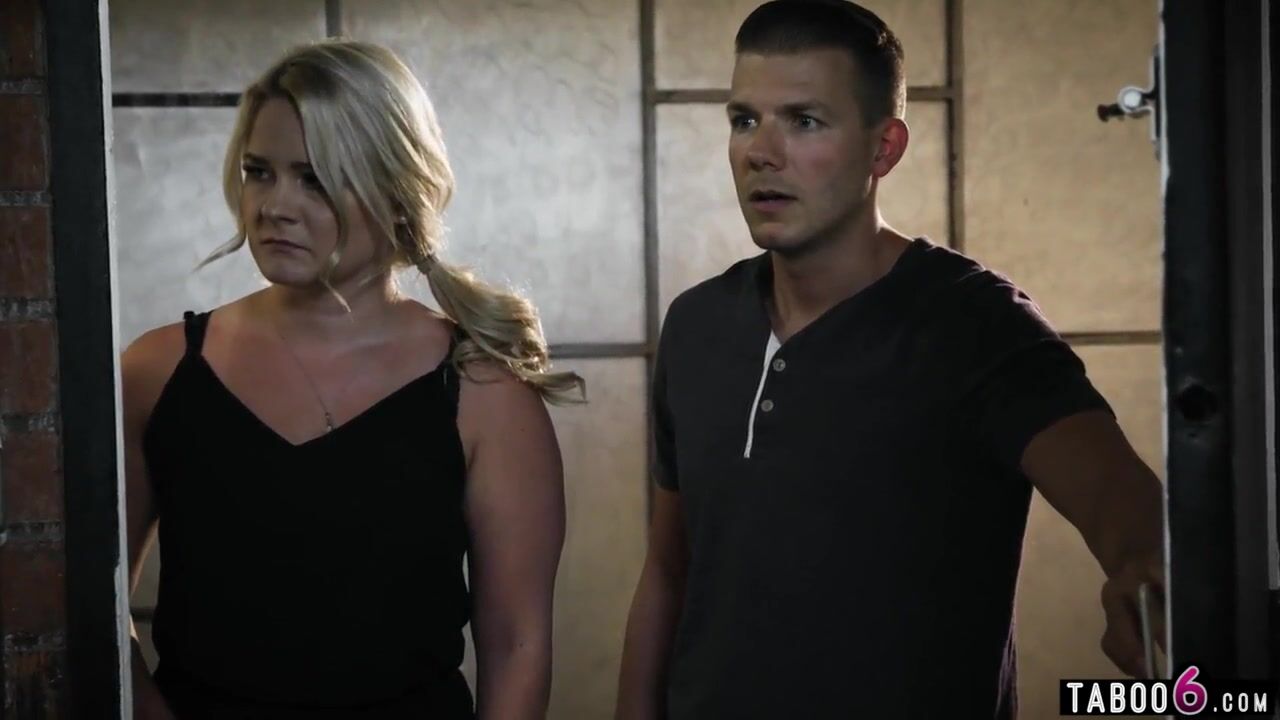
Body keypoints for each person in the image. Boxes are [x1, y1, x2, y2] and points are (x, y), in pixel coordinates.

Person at [615, 2, 1166, 718]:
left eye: (804, 121)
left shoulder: (974, 323)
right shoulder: (697, 325)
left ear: (884, 149)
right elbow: (669, 571)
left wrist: (1145, 578)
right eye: (745, 119)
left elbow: (1124, 508)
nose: (761, 152)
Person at [122, 39, 581, 719]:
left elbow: (518, 641)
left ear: (395, 189)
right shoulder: (157, 370)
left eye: (314, 179)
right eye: (259, 171)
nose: (275, 206)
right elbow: (92, 602)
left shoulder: (483, 392)